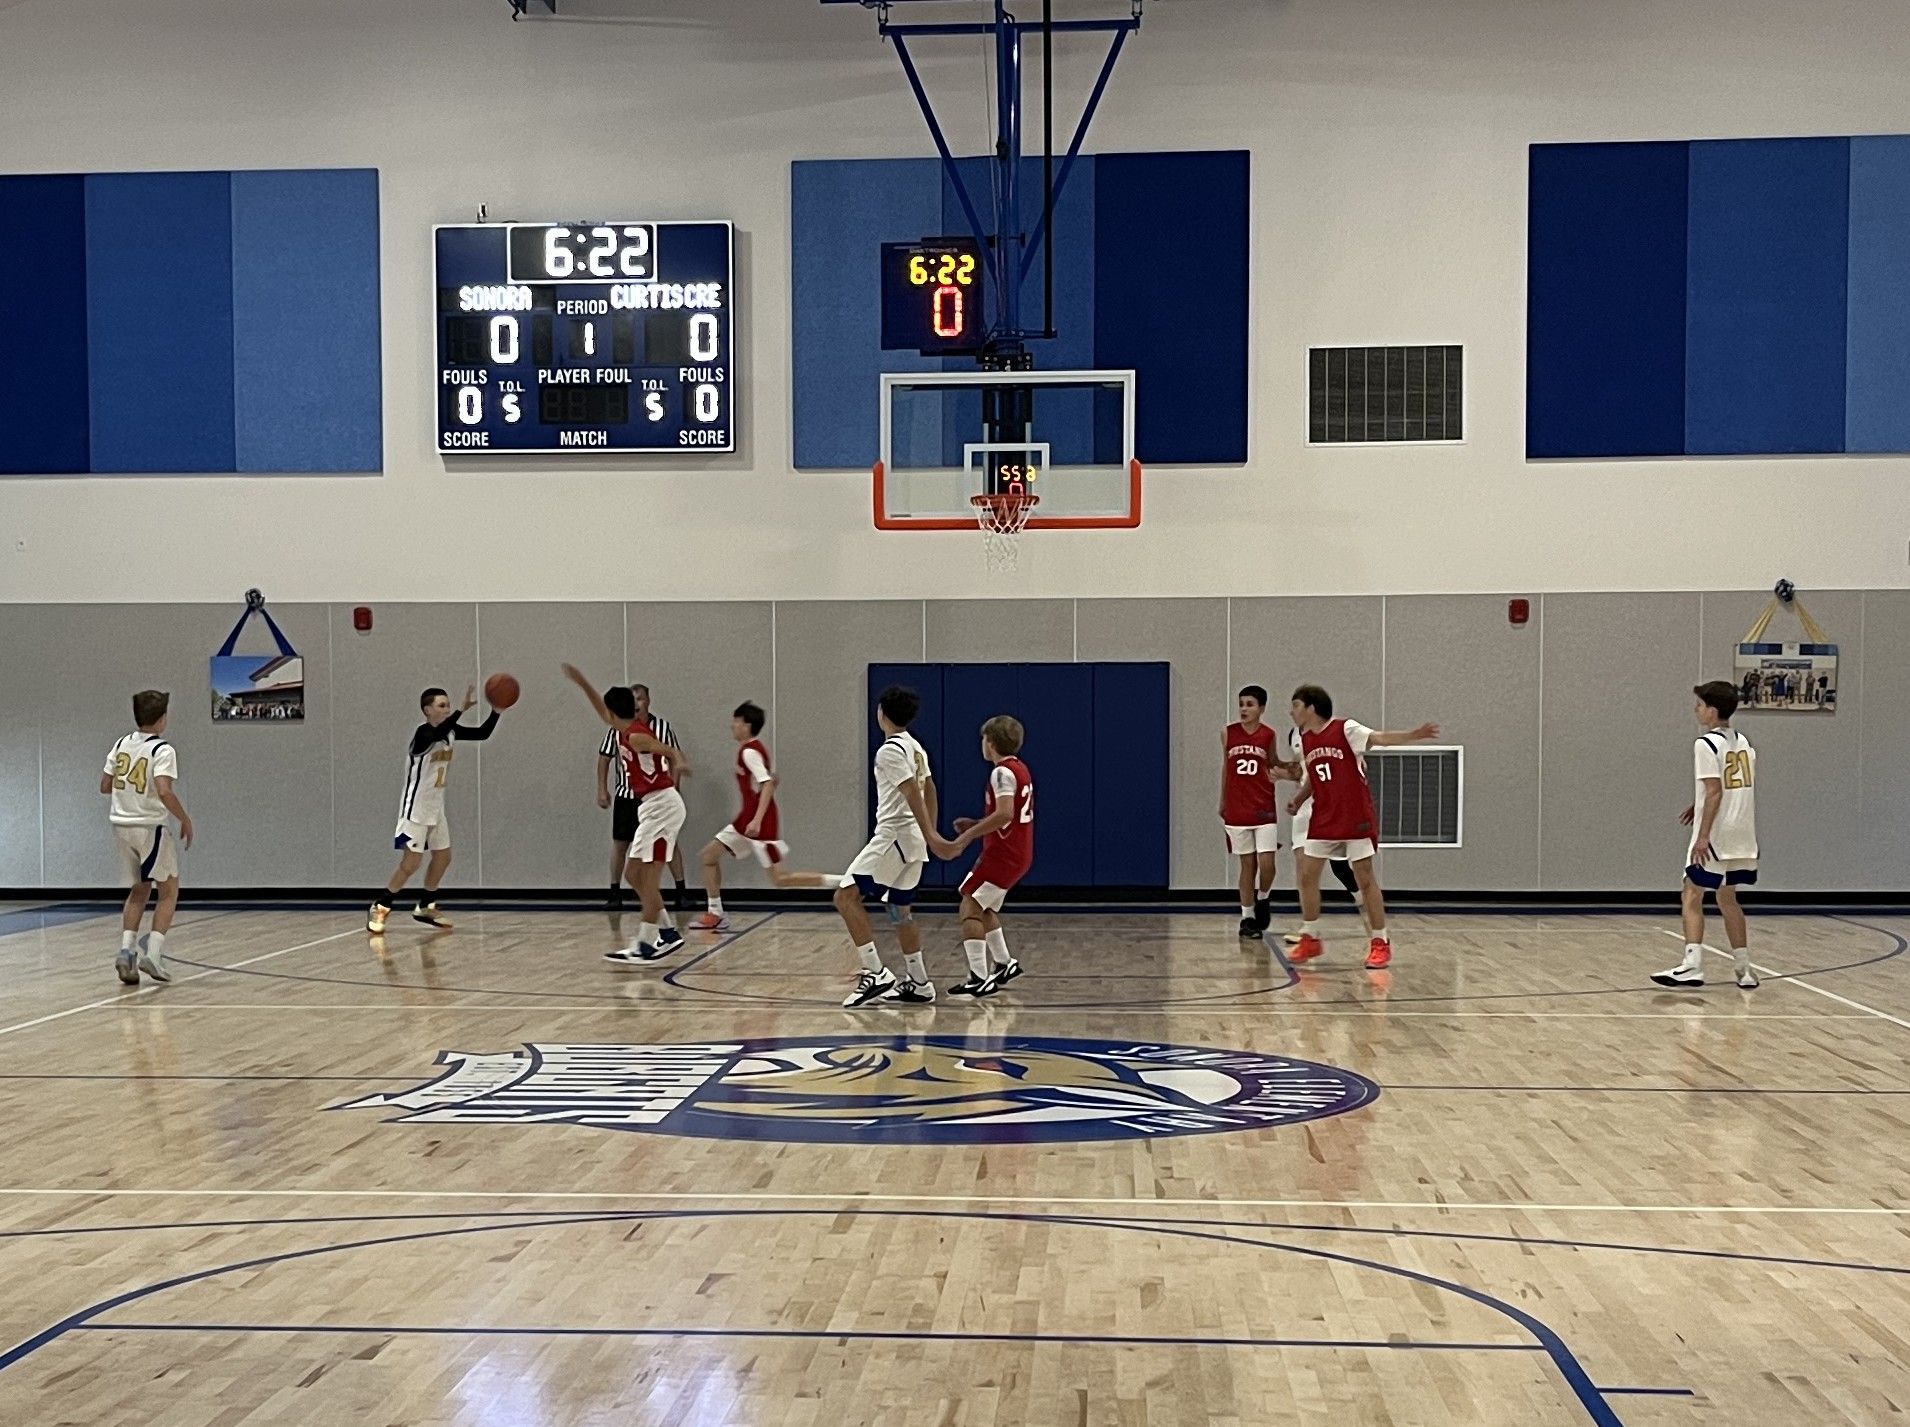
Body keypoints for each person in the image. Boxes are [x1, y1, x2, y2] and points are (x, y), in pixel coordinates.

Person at [1286, 684, 1439, 971]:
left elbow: (1379, 738)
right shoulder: (1305, 740)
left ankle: (1380, 942)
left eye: (1295, 705)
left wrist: (1413, 735)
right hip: (1324, 817)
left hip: (1354, 815)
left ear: (1311, 708)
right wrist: (1299, 798)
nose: (1291, 712)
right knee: (1307, 875)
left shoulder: (1346, 729)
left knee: (1365, 878)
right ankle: (1311, 937)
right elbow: (1315, 778)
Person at [564, 665, 691, 962]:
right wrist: (582, 682)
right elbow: (600, 709)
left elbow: (667, 749)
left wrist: (680, 762)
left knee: (644, 876)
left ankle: (645, 944)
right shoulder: (622, 728)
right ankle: (667, 932)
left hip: (662, 805)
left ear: (614, 712)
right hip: (652, 806)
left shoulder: (635, 737)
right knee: (634, 875)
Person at [835, 685, 939, 1007]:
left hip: (895, 836)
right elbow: (930, 788)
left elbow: (912, 791)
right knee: (899, 911)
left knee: (845, 896)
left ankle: (875, 971)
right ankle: (919, 982)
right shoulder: (915, 747)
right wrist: (930, 833)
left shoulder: (889, 751)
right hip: (913, 842)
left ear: (881, 713)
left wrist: (930, 834)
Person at [368, 685, 501, 935]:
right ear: (427, 710)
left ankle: (426, 906)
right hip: (416, 809)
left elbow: (482, 733)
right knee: (411, 864)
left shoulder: (450, 732)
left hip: (436, 807)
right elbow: (437, 732)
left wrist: (497, 711)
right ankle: (381, 905)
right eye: (442, 705)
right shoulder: (423, 733)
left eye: (448, 705)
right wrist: (461, 710)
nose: (447, 709)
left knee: (443, 857)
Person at [1653, 681, 1759, 989]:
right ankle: (1744, 969)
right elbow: (1729, 786)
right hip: (1743, 832)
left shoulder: (1705, 744)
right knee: (1728, 898)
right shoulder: (1743, 742)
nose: (1695, 710)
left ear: (1712, 711)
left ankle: (1692, 965)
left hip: (1718, 834)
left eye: (1699, 705)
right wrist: (1697, 804)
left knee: (1691, 893)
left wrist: (1702, 836)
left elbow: (1714, 792)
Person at [691, 702, 832, 930]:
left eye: (736, 721)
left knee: (780, 879)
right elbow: (767, 781)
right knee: (709, 856)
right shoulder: (753, 749)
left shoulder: (749, 752)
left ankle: (844, 882)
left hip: (758, 822)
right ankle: (715, 913)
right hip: (745, 821)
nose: (732, 725)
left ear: (747, 726)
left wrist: (757, 820)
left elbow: (766, 784)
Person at [926, 715, 1033, 997]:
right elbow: (1009, 817)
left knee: (970, 906)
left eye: (984, 739)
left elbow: (1005, 814)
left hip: (1004, 854)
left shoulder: (1001, 773)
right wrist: (976, 823)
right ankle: (1004, 963)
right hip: (1016, 852)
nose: (982, 744)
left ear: (992, 743)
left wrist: (968, 836)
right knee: (983, 908)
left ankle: (978, 977)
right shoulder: (1019, 768)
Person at [100, 689, 193, 985]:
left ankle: (126, 951)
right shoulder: (162, 750)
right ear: (162, 718)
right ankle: (153, 954)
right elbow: (164, 790)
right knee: (169, 890)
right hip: (148, 826)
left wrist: (129, 791)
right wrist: (185, 818)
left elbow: (105, 785)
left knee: (138, 890)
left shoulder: (121, 744)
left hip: (120, 824)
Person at [596, 684, 688, 911]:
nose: (637, 703)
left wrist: (675, 784)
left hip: (655, 797)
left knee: (666, 844)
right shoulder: (617, 730)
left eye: (641, 699)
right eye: (633, 699)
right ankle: (615, 893)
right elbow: (604, 758)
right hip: (627, 795)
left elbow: (673, 754)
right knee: (621, 844)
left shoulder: (660, 728)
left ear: (648, 701)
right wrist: (602, 789)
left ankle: (680, 893)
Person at [1279, 715, 1369, 945]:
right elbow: (1301, 771)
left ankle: (1364, 904)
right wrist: (1282, 773)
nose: (1293, 711)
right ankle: (1308, 929)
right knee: (1304, 871)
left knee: (1341, 867)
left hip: (1329, 806)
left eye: (1297, 706)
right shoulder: (1294, 734)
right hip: (1304, 809)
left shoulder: (1334, 732)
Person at [1220, 685, 1283, 937]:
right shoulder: (1228, 732)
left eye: (1250, 704)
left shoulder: (1268, 734)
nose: (1244, 709)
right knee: (1248, 865)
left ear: (1261, 708)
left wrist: (1294, 768)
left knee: (1267, 864)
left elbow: (1274, 763)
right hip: (1237, 807)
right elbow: (1226, 768)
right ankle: (1247, 918)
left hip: (1263, 806)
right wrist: (1222, 800)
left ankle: (1263, 898)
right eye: (1241, 704)